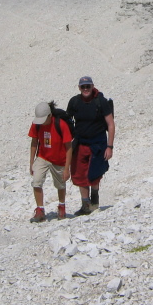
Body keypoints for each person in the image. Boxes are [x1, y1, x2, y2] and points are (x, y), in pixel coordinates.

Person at [67, 76, 115, 215]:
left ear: (93, 86)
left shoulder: (101, 102)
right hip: (81, 142)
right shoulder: (74, 102)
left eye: (88, 86)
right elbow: (67, 121)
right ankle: (85, 205)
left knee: (95, 173)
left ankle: (94, 200)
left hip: (98, 143)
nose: (86, 89)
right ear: (79, 88)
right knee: (79, 173)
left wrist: (109, 147)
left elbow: (110, 124)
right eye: (83, 87)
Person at [27, 101, 72, 222]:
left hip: (59, 159)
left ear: (50, 116)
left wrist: (67, 168)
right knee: (36, 181)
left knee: (60, 184)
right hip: (43, 156)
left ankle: (61, 206)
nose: (41, 122)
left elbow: (69, 147)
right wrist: (31, 162)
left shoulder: (61, 125)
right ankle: (40, 210)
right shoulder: (36, 124)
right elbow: (34, 142)